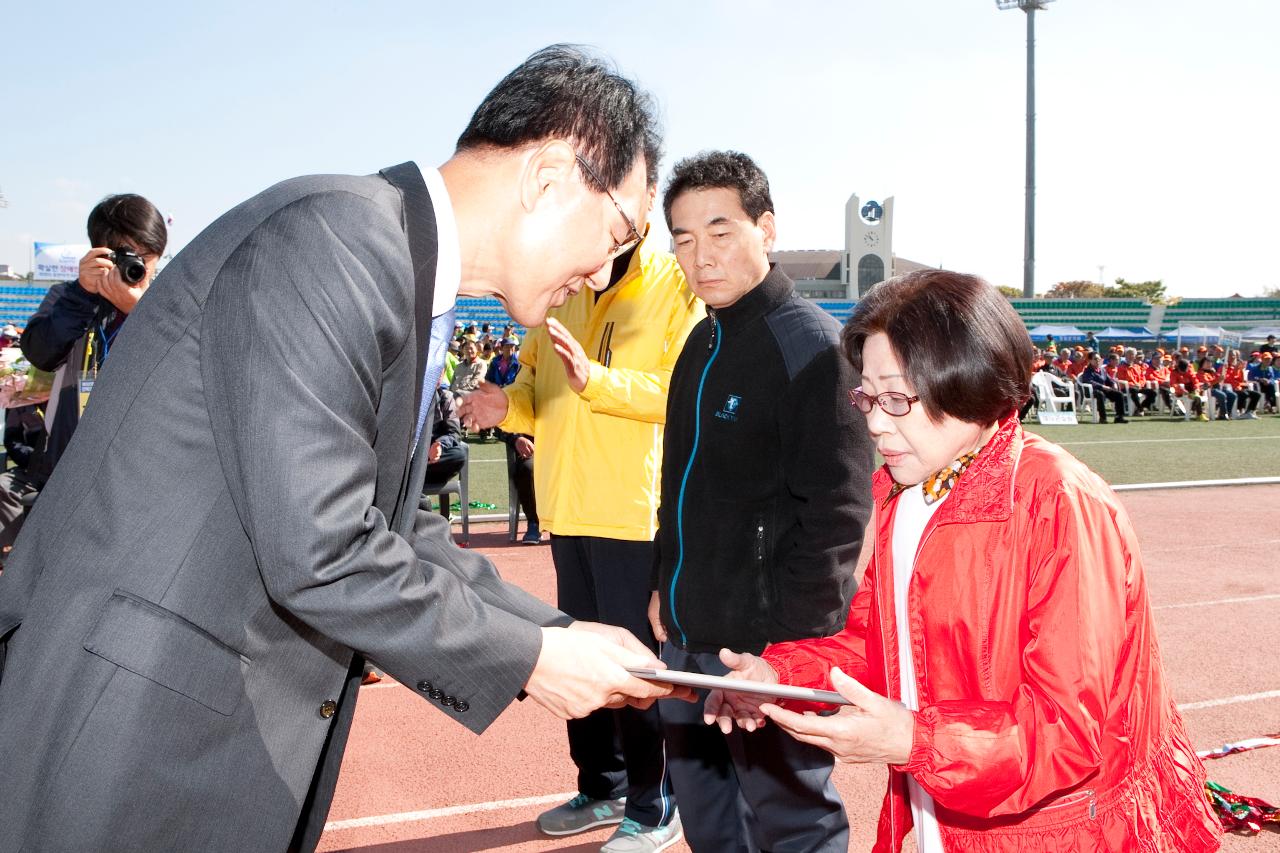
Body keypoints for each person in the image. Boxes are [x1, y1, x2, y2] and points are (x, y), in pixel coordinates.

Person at [0, 45, 691, 853]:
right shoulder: (337, 238)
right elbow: (323, 544)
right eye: (618, 233)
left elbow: (389, 528)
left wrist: (560, 627)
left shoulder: (389, 261)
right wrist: (534, 657)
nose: (607, 268)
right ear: (548, 177)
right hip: (124, 747)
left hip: (183, 739)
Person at [707, 270, 1222, 853]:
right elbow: (875, 641)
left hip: (1053, 833)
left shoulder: (1057, 501)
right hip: (934, 817)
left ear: (968, 384)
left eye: (898, 398)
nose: (875, 422)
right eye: (868, 397)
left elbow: (1067, 729)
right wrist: (779, 676)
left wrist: (914, 742)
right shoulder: (906, 494)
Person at [460, 157, 703, 851]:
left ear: (647, 197)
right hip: (565, 506)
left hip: (632, 511)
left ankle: (656, 804)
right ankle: (601, 785)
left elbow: (674, 395)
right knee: (574, 658)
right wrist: (502, 405)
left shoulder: (674, 287)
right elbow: (537, 392)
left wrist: (597, 380)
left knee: (632, 668)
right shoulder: (563, 283)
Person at [648, 150, 873, 852]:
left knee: (794, 822)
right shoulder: (699, 341)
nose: (700, 256)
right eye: (683, 239)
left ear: (766, 228)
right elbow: (676, 480)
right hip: (686, 635)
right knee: (710, 816)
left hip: (763, 645)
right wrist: (664, 584)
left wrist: (789, 656)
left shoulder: (811, 349)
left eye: (720, 231)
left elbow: (838, 518)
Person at [19, 194, 167, 487]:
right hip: (66, 466)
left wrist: (138, 312)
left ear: (159, 254)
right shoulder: (70, 298)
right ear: (101, 252)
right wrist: (82, 295)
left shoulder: (169, 306)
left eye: (145, 257)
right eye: (125, 255)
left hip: (137, 471)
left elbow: (181, 369)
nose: (135, 266)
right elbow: (41, 354)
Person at [483, 338, 540, 546]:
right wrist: (516, 438)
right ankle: (534, 522)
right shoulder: (522, 386)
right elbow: (500, 422)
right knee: (527, 468)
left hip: (563, 449)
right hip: (533, 450)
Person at [1080, 353, 1129, 423]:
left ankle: (1119, 417)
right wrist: (1102, 386)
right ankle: (1103, 418)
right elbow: (1089, 382)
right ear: (1090, 360)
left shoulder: (1102, 370)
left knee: (1119, 394)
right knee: (1100, 394)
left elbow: (1109, 379)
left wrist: (1113, 383)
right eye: (1095, 359)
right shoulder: (1087, 370)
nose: (1098, 361)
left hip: (1104, 390)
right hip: (1093, 391)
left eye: (1099, 359)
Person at [1221, 349, 1260, 418]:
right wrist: (1235, 371)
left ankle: (1249, 412)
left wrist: (1241, 370)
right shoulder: (1224, 367)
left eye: (1234, 355)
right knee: (1244, 394)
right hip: (1229, 388)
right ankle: (1238, 411)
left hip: (1238, 387)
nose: (1232, 357)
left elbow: (1240, 380)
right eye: (1230, 355)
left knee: (1256, 394)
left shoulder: (1237, 367)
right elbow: (1226, 380)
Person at [1197, 356, 1235, 420]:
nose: (1209, 365)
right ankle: (1223, 414)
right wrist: (1217, 380)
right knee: (1222, 395)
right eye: (1207, 363)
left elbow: (1220, 378)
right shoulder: (1200, 373)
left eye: (1210, 363)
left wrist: (1219, 371)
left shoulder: (1211, 372)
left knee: (1232, 395)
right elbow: (1207, 384)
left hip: (1216, 389)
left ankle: (1227, 413)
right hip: (1208, 391)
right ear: (1202, 364)